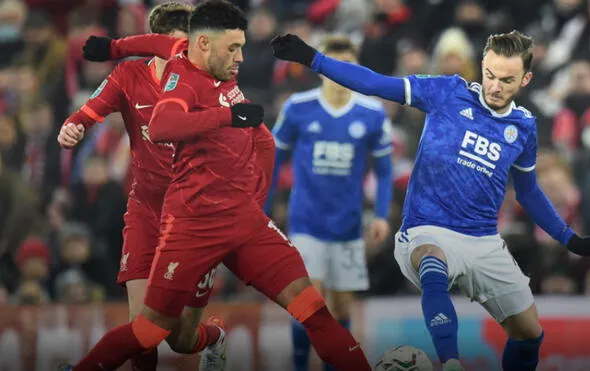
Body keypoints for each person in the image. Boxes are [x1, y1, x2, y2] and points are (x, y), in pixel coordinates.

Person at [271, 30, 590, 371]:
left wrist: (570, 238)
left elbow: (529, 192)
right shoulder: (447, 92)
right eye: (490, 75)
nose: (494, 86)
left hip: (483, 240)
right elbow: (375, 84)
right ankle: (450, 362)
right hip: (425, 228)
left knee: (528, 335)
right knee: (432, 259)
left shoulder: (523, 127)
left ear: (526, 78)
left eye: (507, 80)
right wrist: (313, 59)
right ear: (482, 66)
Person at [63, 2, 371, 371]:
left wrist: (257, 201)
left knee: (313, 310)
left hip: (243, 221)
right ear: (204, 44)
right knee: (151, 333)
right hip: (189, 223)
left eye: (242, 47)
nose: (241, 57)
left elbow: (264, 141)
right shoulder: (182, 80)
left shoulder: (215, 67)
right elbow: (162, 126)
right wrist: (228, 116)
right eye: (234, 48)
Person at [57, 3, 229, 371]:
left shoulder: (214, 84)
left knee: (181, 340)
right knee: (142, 329)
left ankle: (215, 338)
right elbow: (88, 112)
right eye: (165, 47)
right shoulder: (128, 75)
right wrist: (71, 127)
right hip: (146, 210)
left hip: (195, 218)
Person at [267, 35, 393, 371]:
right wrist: (263, 208)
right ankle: (298, 366)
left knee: (342, 310)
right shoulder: (298, 107)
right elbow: (273, 159)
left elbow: (384, 170)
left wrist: (381, 215)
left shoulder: (372, 113)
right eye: (334, 66)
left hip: (348, 225)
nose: (339, 73)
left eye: (347, 66)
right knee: (311, 303)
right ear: (321, 70)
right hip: (306, 220)